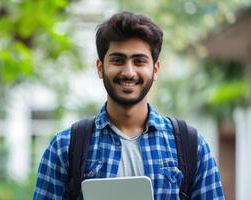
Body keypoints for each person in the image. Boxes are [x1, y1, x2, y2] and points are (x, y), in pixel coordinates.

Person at [33, 11, 224, 199]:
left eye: (139, 61)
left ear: (155, 69)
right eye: (118, 60)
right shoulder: (65, 146)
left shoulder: (192, 146)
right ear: (100, 68)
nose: (129, 72)